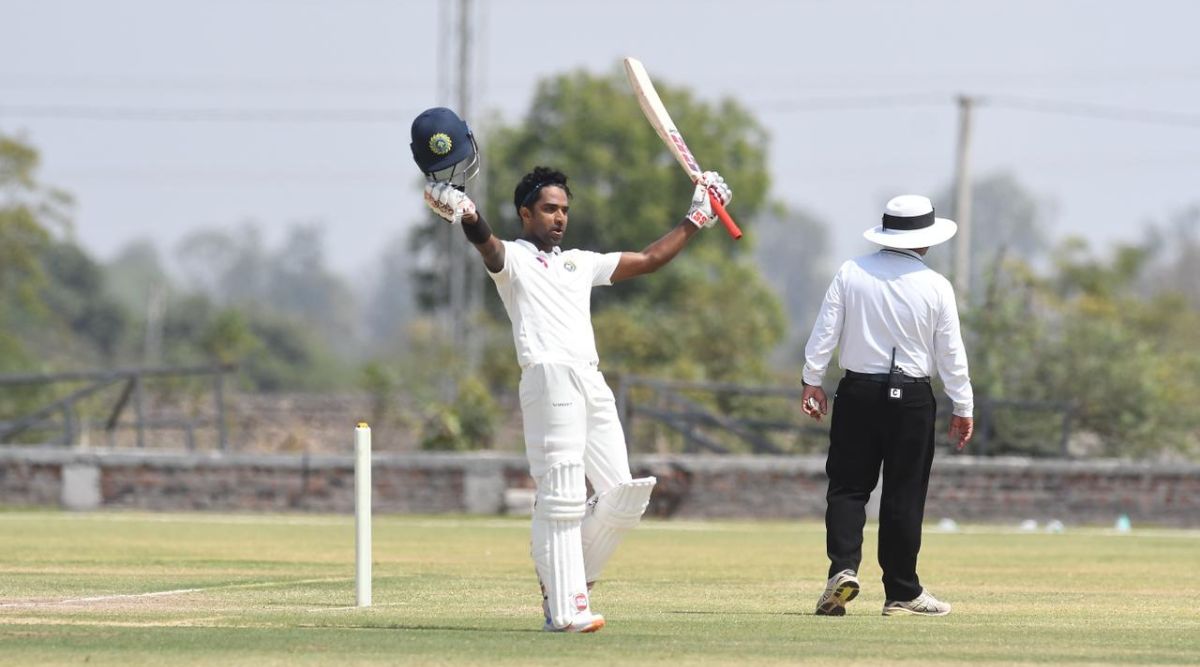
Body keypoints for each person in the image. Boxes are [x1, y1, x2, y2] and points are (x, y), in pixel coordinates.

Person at [411, 107, 732, 633]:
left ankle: (562, 584)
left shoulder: (579, 262)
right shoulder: (513, 259)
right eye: (549, 209)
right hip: (547, 375)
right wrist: (466, 212)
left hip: (589, 377)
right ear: (525, 214)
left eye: (564, 209)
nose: (559, 217)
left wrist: (698, 216)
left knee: (624, 496)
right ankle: (565, 610)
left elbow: (650, 260)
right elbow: (486, 246)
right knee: (561, 493)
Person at [800, 194, 974, 617]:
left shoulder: (851, 272)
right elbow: (950, 352)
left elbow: (826, 330)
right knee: (903, 494)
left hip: (858, 392)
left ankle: (842, 570)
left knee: (847, 488)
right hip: (912, 398)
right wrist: (962, 404)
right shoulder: (936, 285)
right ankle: (901, 592)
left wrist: (812, 380)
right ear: (925, 240)